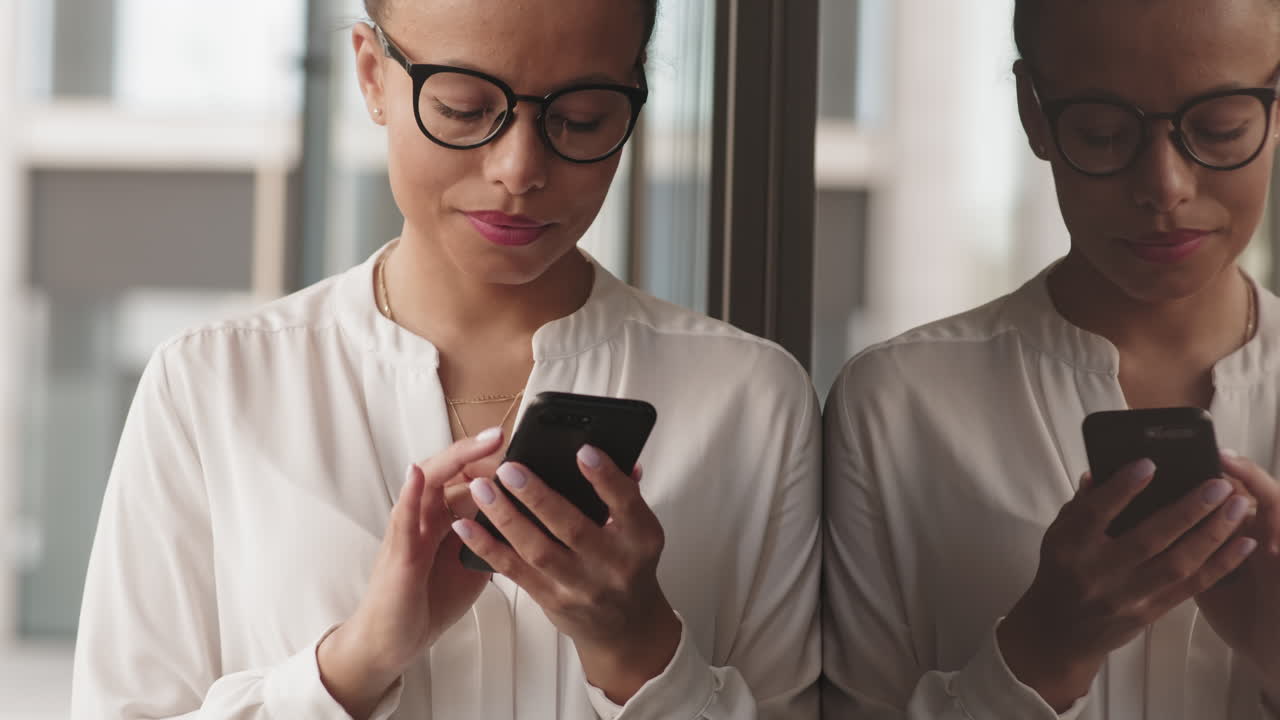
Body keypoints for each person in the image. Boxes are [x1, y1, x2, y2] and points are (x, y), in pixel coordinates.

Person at [69, 1, 821, 717]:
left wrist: (639, 653)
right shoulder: (211, 388)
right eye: (465, 109)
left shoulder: (749, 401)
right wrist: (356, 663)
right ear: (371, 74)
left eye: (582, 118)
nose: (519, 168)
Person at [823, 0, 1280, 717]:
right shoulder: (901, 404)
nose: (1165, 187)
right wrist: (1043, 651)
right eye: (1102, 133)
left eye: (1219, 130)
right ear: (1034, 113)